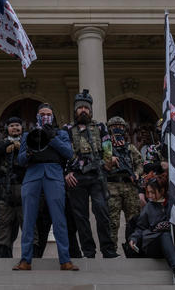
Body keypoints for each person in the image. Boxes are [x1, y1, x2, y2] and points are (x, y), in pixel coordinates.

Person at [13, 103, 78, 271]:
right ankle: (25, 260)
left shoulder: (61, 133)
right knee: (28, 219)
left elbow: (69, 154)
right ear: (37, 117)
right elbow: (20, 161)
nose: (45, 117)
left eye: (48, 114)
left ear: (53, 116)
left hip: (54, 175)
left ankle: (65, 260)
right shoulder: (28, 134)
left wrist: (52, 138)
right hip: (32, 175)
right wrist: (28, 153)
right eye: (42, 114)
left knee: (59, 219)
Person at [65, 90, 118, 258]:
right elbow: (62, 152)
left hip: (97, 176)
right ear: (75, 110)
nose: (83, 110)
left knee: (102, 212)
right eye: (80, 107)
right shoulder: (67, 129)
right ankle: (89, 252)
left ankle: (108, 251)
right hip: (76, 178)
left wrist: (107, 162)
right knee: (81, 217)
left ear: (90, 110)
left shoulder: (100, 127)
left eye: (86, 108)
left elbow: (108, 147)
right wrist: (66, 173)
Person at [128, 177, 175, 285]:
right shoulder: (148, 207)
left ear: (162, 190)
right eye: (148, 192)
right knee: (164, 235)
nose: (149, 196)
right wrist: (134, 238)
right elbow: (140, 227)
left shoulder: (174, 204)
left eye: (152, 192)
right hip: (154, 245)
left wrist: (170, 225)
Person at [0, 117, 26, 258]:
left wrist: (20, 147)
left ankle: (30, 256)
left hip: (24, 188)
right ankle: (2, 255)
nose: (15, 128)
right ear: (7, 128)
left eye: (17, 125)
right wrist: (6, 146)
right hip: (4, 190)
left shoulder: (27, 142)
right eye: (12, 125)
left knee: (26, 224)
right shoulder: (2, 143)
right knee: (3, 226)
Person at [105, 116, 143, 250]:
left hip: (129, 186)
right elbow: (103, 166)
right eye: (114, 127)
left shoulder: (130, 148)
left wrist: (137, 173)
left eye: (120, 127)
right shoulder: (106, 148)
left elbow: (139, 164)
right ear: (109, 129)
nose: (117, 129)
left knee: (133, 221)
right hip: (112, 186)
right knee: (112, 222)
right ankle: (111, 251)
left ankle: (132, 249)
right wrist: (110, 159)